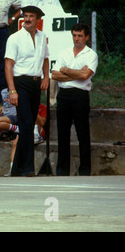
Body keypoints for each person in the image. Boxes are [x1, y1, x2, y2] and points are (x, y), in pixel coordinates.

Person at [4, 5, 49, 177]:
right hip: (20, 83)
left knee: (28, 125)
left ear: (38, 20)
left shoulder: (42, 36)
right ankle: (29, 168)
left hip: (36, 83)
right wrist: (12, 90)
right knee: (26, 124)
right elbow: (8, 65)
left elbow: (45, 58)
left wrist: (46, 77)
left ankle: (17, 168)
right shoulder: (14, 38)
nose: (28, 19)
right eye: (26, 16)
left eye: (32, 16)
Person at [52, 23, 98, 176]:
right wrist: (75, 73)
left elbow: (85, 76)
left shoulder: (91, 54)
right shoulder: (64, 53)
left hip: (80, 95)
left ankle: (85, 170)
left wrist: (65, 70)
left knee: (82, 133)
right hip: (64, 94)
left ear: (86, 37)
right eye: (74, 35)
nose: (76, 39)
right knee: (62, 133)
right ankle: (62, 171)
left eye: (80, 36)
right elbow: (54, 75)